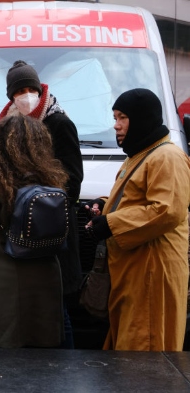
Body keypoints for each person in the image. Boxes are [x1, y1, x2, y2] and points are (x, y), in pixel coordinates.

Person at [84, 88, 190, 352]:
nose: (116, 125)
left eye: (122, 118)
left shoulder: (167, 157)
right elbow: (135, 198)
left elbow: (166, 210)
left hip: (152, 272)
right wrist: (104, 205)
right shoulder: (142, 154)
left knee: (147, 352)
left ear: (141, 119)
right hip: (136, 271)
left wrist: (111, 224)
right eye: (115, 117)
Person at [0, 60, 84, 348]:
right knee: (39, 308)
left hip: (53, 227)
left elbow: (73, 179)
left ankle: (66, 368)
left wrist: (43, 202)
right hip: (24, 228)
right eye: (18, 91)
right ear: (10, 97)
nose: (25, 95)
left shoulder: (58, 122)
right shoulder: (9, 125)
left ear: (39, 88)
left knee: (58, 308)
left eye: (29, 88)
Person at [0, 115, 69, 348]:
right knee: (45, 351)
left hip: (8, 275)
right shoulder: (52, 177)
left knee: (10, 353)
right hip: (49, 273)